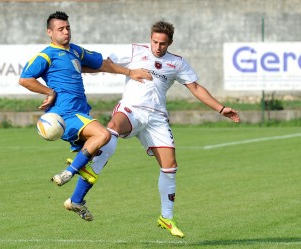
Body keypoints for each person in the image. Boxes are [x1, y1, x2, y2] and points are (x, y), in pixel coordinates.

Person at [65, 20, 240, 238]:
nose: (158, 47)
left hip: (157, 118)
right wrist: (76, 70)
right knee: (112, 128)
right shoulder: (135, 51)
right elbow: (103, 63)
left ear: (170, 43)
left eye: (163, 44)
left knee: (170, 166)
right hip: (132, 110)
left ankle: (166, 217)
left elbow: (195, 87)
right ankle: (83, 181)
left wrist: (220, 108)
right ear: (150, 39)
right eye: (155, 42)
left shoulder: (177, 63)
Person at [19, 11, 151, 222]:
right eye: (60, 29)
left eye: (67, 28)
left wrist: (129, 72)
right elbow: (25, 79)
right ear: (49, 32)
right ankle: (69, 172)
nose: (65, 32)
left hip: (80, 113)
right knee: (103, 134)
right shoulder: (46, 55)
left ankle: (76, 200)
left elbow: (102, 64)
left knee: (101, 154)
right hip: (65, 114)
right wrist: (48, 92)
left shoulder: (75, 51)